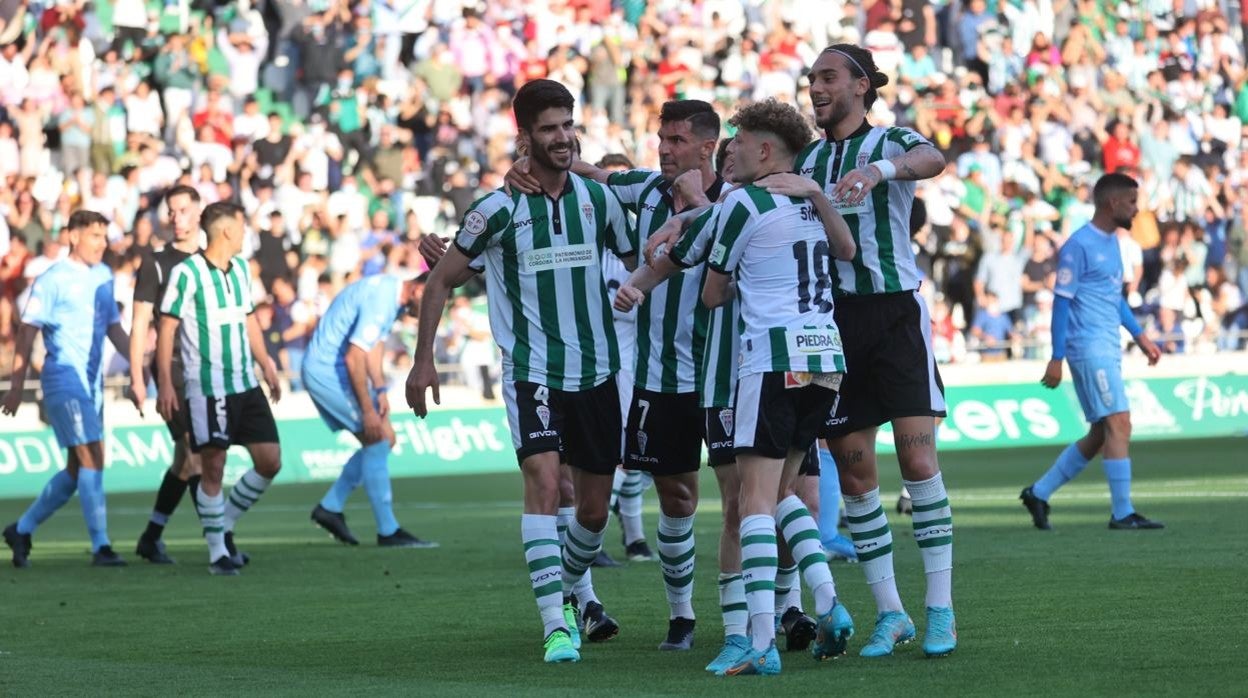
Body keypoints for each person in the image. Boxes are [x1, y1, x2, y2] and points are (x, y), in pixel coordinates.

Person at [405, 79, 634, 664]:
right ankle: (555, 624)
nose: (561, 137)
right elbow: (440, 280)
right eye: (549, 128)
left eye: (567, 125)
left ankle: (569, 589)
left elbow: (640, 260)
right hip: (532, 371)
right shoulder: (497, 208)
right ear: (525, 136)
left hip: (599, 370)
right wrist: (423, 359)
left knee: (591, 511)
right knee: (541, 479)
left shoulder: (599, 200)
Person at [797, 44, 955, 659]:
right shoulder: (807, 158)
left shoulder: (889, 140)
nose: (816, 87)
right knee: (858, 474)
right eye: (812, 78)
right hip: (834, 324)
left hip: (894, 316)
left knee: (918, 467)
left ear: (861, 85)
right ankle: (892, 613)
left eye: (828, 77)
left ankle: (940, 610)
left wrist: (879, 173)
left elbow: (933, 157)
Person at [700, 99, 858, 676]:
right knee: (787, 491)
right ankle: (829, 604)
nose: (730, 152)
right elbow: (848, 252)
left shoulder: (741, 202)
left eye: (738, 142)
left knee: (753, 503)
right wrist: (817, 195)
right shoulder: (813, 203)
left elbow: (713, 294)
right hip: (826, 357)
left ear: (765, 151)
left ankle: (759, 640)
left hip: (770, 356)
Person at [1021, 173, 1165, 531]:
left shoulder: (1112, 242)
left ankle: (1039, 493)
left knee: (1103, 432)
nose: (1136, 209)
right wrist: (1056, 357)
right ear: (1112, 203)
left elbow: (1111, 296)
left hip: (1108, 346)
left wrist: (1139, 336)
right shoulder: (1078, 246)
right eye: (1132, 202)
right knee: (1120, 422)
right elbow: (1062, 302)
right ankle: (1122, 513)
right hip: (1088, 347)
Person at [156, 202, 284, 576]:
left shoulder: (241, 269)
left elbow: (248, 320)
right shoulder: (188, 273)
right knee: (213, 466)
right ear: (227, 231)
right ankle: (218, 554)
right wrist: (166, 382)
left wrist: (266, 363)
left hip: (246, 382)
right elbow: (166, 328)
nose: (246, 234)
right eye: (243, 227)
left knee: (270, 460)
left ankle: (223, 524)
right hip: (208, 387)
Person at [2, 210, 130, 568]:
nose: (101, 244)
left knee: (79, 468)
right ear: (73, 236)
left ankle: (22, 529)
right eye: (94, 236)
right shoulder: (53, 279)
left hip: (93, 383)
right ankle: (101, 546)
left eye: (104, 237)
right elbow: (27, 331)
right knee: (92, 458)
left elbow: (114, 328)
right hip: (63, 377)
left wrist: (139, 365)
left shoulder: (104, 276)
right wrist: (15, 386)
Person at [305, 271, 439, 548]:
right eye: (431, 303)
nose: (431, 313)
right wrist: (367, 409)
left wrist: (379, 389)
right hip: (328, 371)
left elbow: (373, 345)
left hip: (332, 368)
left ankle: (330, 508)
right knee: (377, 438)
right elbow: (354, 356)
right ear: (416, 290)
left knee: (385, 439)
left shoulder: (391, 296)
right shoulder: (383, 298)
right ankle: (388, 531)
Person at [129, 185, 204, 564]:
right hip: (170, 370)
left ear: (199, 212)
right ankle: (219, 540)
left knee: (187, 459)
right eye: (172, 212)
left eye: (184, 210)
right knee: (195, 455)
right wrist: (138, 378)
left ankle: (151, 536)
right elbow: (140, 322)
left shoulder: (210, 260)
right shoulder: (156, 262)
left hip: (206, 371)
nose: (177, 218)